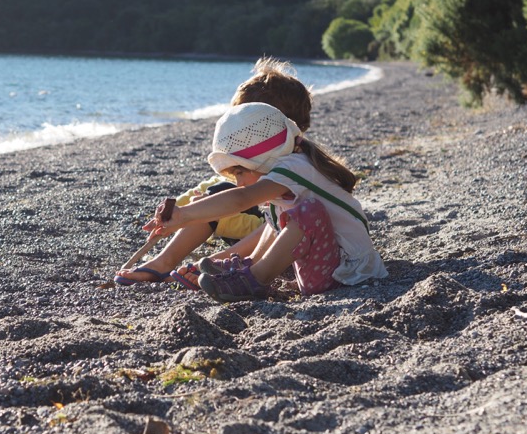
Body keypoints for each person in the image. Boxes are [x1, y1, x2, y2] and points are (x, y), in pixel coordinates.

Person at [146, 102, 386, 301]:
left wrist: (184, 214)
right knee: (277, 215)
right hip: (326, 266)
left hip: (346, 271)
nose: (238, 182)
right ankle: (249, 267)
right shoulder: (287, 173)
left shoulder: (295, 168)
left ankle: (255, 279)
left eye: (240, 172)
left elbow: (240, 199)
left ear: (262, 159)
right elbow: (269, 223)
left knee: (308, 212)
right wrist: (182, 219)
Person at [114, 57, 312, 285]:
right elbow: (214, 186)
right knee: (215, 192)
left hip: (283, 235)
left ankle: (205, 263)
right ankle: (170, 262)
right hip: (268, 229)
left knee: (224, 199)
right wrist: (183, 208)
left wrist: (197, 215)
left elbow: (250, 205)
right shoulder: (273, 160)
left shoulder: (293, 166)